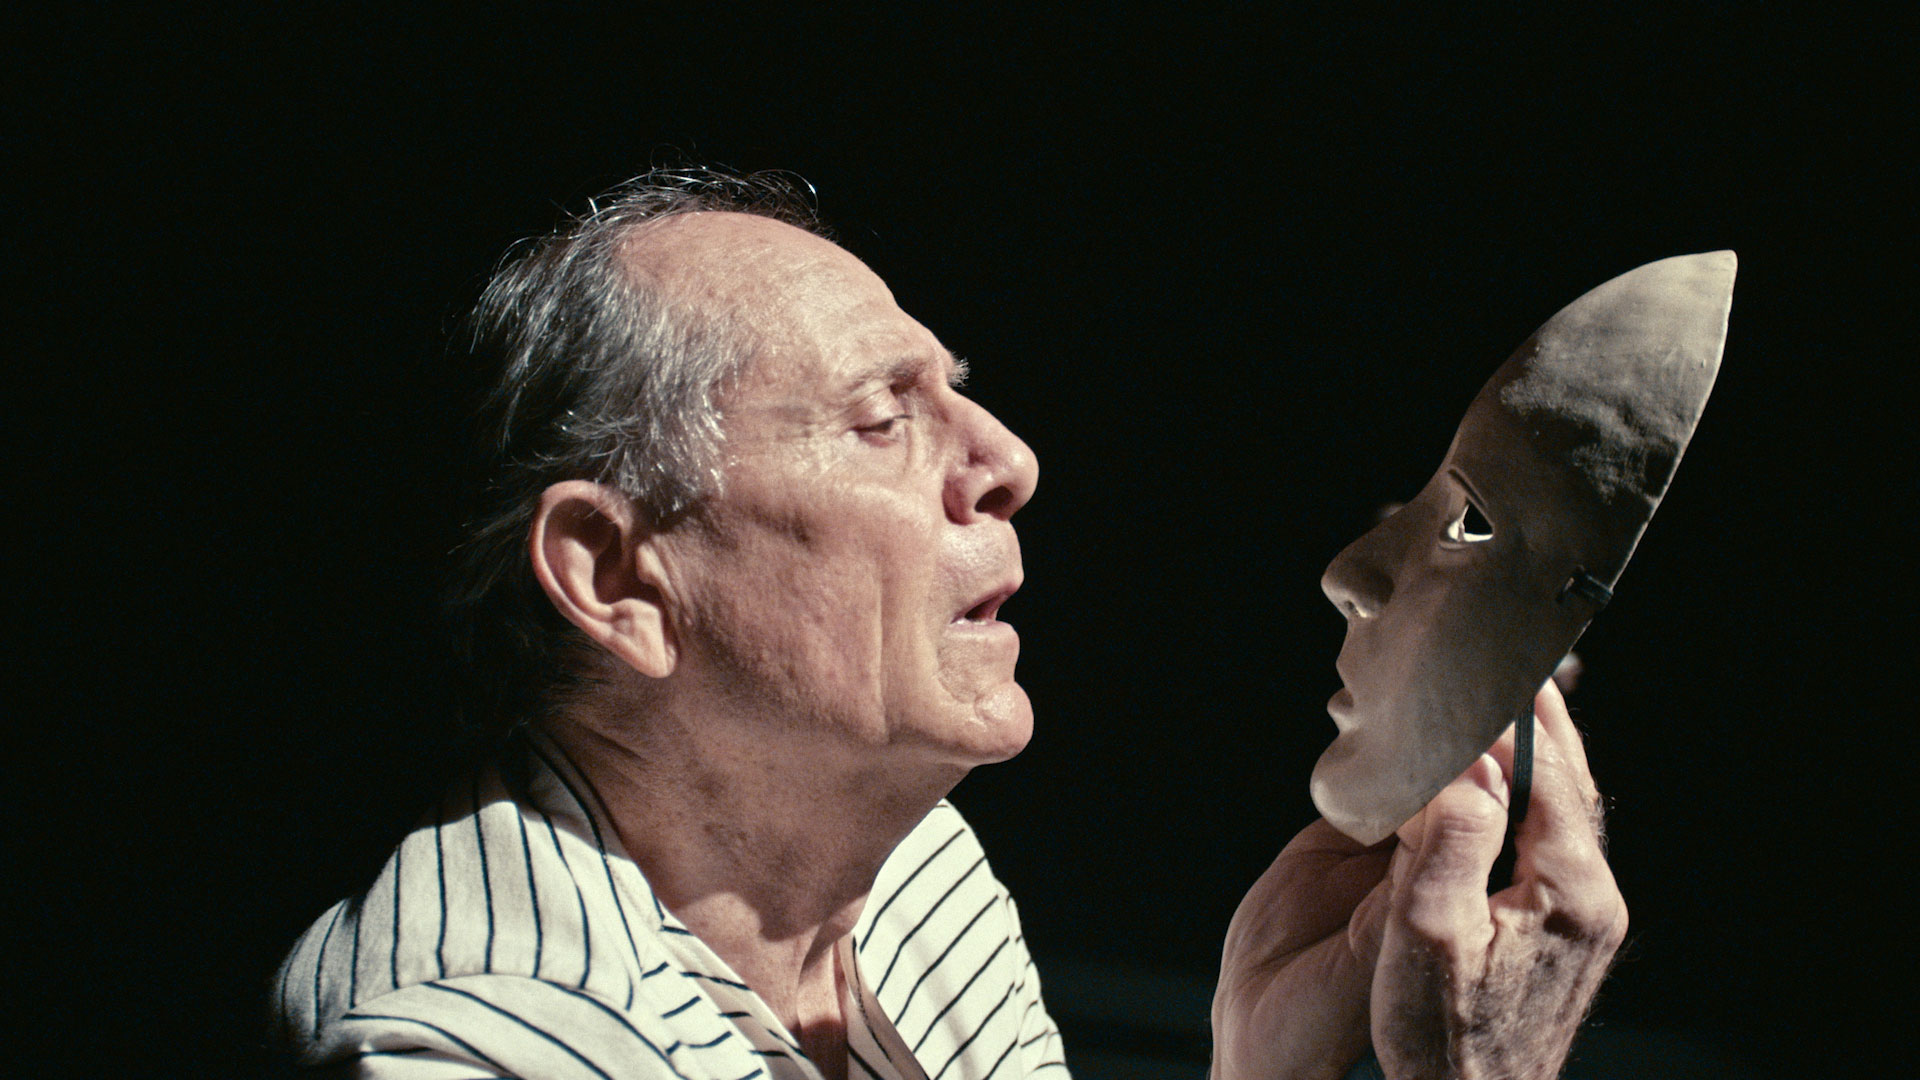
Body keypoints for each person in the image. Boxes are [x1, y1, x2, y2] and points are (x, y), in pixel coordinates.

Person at [273, 169, 1625, 1080]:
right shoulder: (477, 1051)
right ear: (619, 578)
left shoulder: (899, 870)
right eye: (882, 418)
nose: (1010, 459)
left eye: (957, 392)